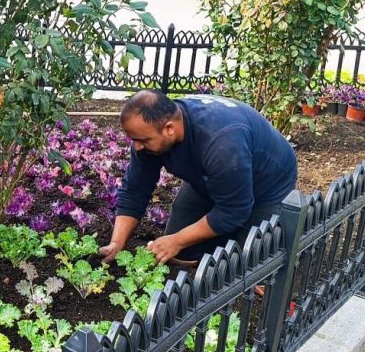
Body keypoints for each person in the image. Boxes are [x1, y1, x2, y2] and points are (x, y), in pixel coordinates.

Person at [99, 91, 297, 266]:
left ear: (169, 128)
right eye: (134, 140)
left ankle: (266, 231)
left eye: (143, 141)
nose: (137, 147)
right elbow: (135, 189)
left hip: (267, 183)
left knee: (250, 267)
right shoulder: (150, 133)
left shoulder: (221, 143)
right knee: (184, 253)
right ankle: (223, 228)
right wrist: (117, 243)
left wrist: (177, 240)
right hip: (210, 178)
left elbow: (234, 211)